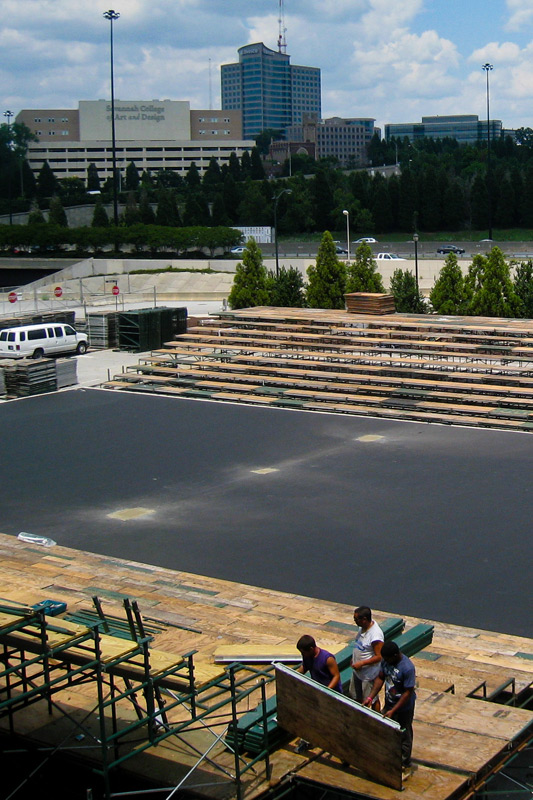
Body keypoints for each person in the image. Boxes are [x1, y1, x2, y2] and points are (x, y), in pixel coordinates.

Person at [364, 641, 416, 775]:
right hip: (389, 703)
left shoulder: (407, 668)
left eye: (387, 659)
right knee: (384, 729)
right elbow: (380, 678)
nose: (385, 661)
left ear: (395, 655)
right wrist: (370, 698)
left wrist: (394, 711)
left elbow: (407, 693)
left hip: (404, 707)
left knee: (404, 733)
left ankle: (404, 763)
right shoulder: (386, 661)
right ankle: (388, 756)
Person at [349, 606, 384, 710]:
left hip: (368, 675)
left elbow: (379, 656)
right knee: (355, 696)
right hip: (357, 671)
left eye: (356, 619)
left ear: (364, 619)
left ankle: (377, 717)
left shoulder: (375, 635)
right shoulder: (362, 628)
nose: (355, 621)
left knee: (371, 699)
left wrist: (362, 663)